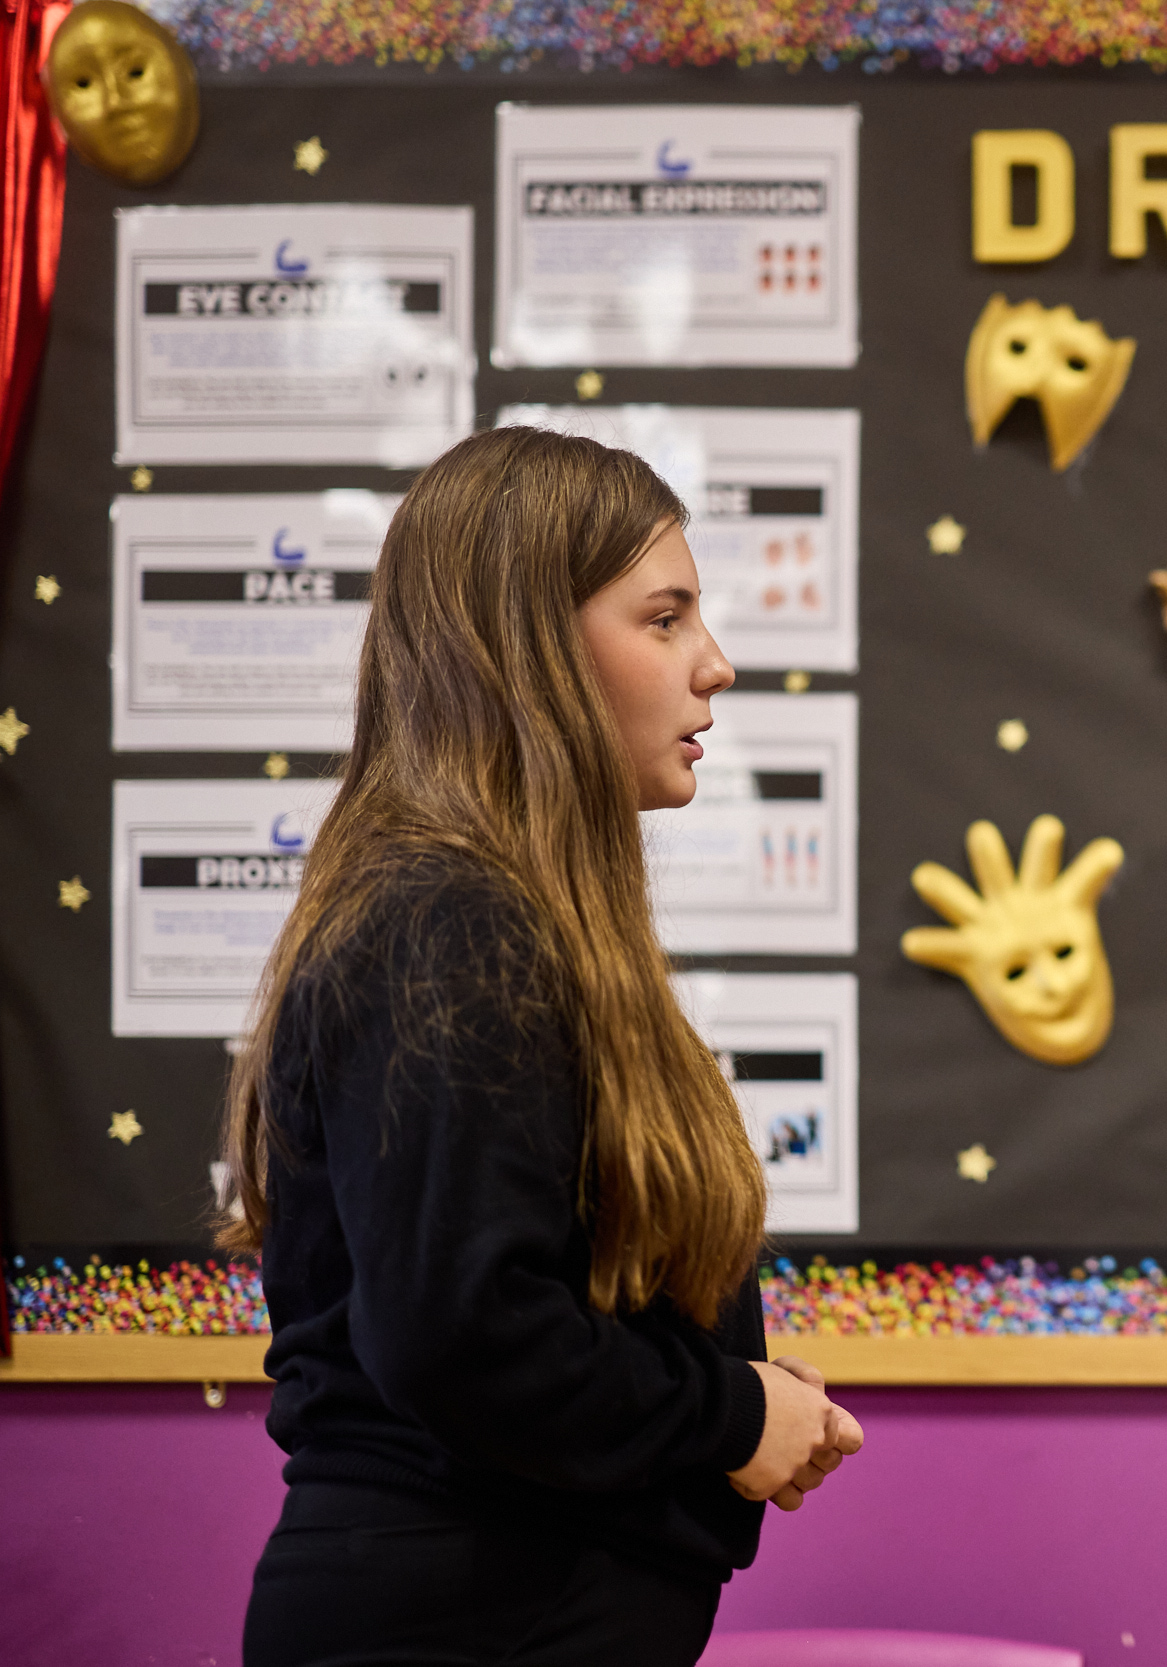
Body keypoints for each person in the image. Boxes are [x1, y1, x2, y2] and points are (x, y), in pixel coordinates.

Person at [220, 425, 864, 1666]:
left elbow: (516, 1298)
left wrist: (739, 1393)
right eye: (664, 617)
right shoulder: (449, 919)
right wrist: (731, 1409)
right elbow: (465, 1330)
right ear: (526, 647)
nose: (714, 665)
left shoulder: (497, 913)